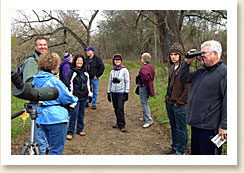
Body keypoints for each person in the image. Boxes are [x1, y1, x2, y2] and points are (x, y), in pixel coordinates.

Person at [180, 40, 227, 155]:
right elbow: (184, 78)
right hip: (196, 125)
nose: (201, 55)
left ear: (215, 54)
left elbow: (229, 101)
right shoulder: (201, 71)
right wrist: (187, 62)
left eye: (204, 52)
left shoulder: (224, 73)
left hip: (210, 128)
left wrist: (224, 126)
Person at [32, 52, 78, 155]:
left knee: (50, 145)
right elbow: (67, 97)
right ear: (54, 67)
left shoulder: (36, 79)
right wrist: (75, 99)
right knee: (56, 150)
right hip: (56, 118)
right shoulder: (54, 81)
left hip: (42, 118)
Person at [22, 37, 49, 155]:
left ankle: (44, 147)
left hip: (45, 99)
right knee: (39, 129)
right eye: (40, 45)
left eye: (45, 44)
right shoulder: (31, 62)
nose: (43, 47)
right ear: (35, 47)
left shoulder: (45, 61)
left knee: (44, 126)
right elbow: (29, 83)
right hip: (35, 100)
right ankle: (39, 155)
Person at [164, 43, 191, 155]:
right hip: (170, 102)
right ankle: (174, 146)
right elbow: (170, 85)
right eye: (171, 54)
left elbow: (188, 88)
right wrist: (167, 97)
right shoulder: (171, 69)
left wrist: (180, 102)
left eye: (176, 54)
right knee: (173, 126)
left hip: (179, 104)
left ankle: (181, 150)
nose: (173, 56)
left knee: (181, 128)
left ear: (180, 55)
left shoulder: (185, 70)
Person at [65, 54, 93, 140]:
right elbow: (67, 83)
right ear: (75, 62)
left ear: (83, 62)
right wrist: (70, 95)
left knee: (81, 114)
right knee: (74, 114)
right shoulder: (71, 72)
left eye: (81, 60)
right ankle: (70, 132)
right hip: (75, 97)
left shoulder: (85, 73)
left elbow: (88, 84)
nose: (79, 62)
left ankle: (80, 129)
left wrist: (90, 94)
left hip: (84, 96)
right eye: (78, 60)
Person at [107, 54, 130, 132]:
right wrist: (108, 92)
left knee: (120, 108)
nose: (117, 61)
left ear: (121, 61)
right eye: (116, 60)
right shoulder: (112, 71)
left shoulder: (124, 70)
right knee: (115, 108)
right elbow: (110, 81)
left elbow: (127, 81)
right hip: (113, 92)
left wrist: (126, 92)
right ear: (113, 61)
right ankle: (118, 121)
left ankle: (122, 124)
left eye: (119, 60)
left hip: (121, 92)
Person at [136, 53, 155, 128]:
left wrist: (143, 83)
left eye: (141, 58)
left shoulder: (144, 68)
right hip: (149, 86)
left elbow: (144, 77)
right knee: (145, 101)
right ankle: (145, 117)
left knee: (144, 103)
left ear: (144, 60)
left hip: (144, 87)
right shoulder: (150, 66)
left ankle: (149, 120)